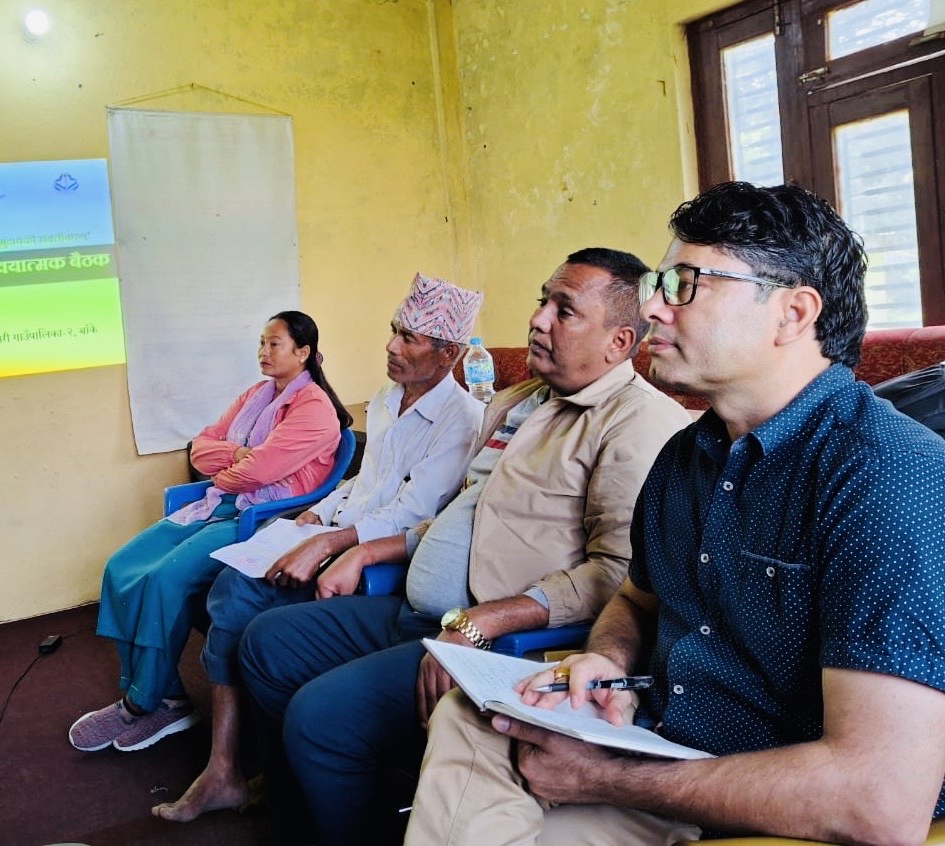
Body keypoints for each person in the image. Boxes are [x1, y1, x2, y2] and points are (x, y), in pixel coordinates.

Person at [408, 182, 945, 845]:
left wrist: (600, 778)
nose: (653, 306)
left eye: (684, 284)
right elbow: (637, 598)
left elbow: (879, 803)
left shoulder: (883, 474)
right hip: (667, 757)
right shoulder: (687, 455)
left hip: (781, 807)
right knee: (475, 716)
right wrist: (604, 659)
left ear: (792, 313)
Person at [237, 249, 692, 844]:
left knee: (320, 719)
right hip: (425, 611)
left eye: (565, 311)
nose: (538, 320)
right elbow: (461, 514)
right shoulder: (517, 401)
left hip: (502, 640)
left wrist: (482, 622)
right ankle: (316, 799)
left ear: (618, 341)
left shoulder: (636, 423)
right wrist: (369, 551)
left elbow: (619, 573)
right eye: (542, 301)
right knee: (266, 642)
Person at [150, 272, 486, 822]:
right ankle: (240, 764)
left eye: (408, 338)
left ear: (448, 354)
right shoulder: (386, 399)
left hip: (383, 561)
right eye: (393, 331)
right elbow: (364, 481)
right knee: (231, 583)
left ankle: (236, 766)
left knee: (244, 605)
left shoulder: (462, 420)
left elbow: (416, 512)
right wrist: (318, 512)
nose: (390, 346)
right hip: (339, 533)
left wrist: (331, 539)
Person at [68, 310, 351, 754]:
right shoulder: (257, 394)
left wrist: (234, 466)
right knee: (121, 567)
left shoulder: (315, 409)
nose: (263, 351)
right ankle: (167, 693)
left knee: (164, 579)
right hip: (218, 503)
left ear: (303, 352)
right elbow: (200, 448)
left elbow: (260, 473)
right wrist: (238, 454)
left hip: (260, 519)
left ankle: (144, 703)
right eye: (261, 342)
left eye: (274, 343)